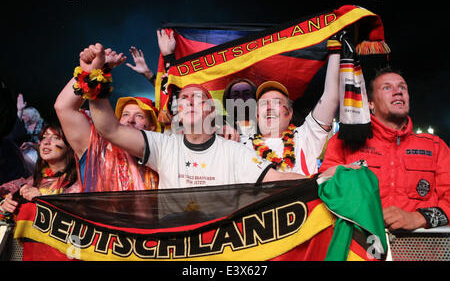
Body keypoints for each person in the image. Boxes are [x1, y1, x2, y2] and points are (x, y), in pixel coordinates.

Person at [84, 43, 348, 189]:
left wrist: (322, 179)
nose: (188, 100)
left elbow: (276, 179)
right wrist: (93, 75)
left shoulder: (237, 151)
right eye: (183, 98)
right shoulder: (163, 146)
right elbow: (108, 128)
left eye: (198, 97)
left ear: (212, 111)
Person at [320, 67, 450, 230]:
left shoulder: (435, 146)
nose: (398, 92)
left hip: (420, 251)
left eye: (402, 87)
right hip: (360, 251)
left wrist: (419, 217)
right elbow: (324, 192)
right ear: (370, 103)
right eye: (387, 87)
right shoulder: (345, 142)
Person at [54, 47, 160, 192]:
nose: (130, 120)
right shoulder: (96, 147)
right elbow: (64, 107)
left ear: (151, 127)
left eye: (139, 116)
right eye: (125, 115)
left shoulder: (161, 157)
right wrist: (92, 70)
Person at [239, 49, 341, 176]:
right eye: (264, 104)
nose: (269, 107)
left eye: (277, 102)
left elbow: (330, 98)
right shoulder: (241, 145)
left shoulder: (305, 136)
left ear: (290, 113)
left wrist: (335, 53)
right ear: (256, 115)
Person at [0, 121, 80, 214]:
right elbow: (4, 191)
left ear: (70, 146)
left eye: (56, 138)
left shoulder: (79, 183)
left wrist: (42, 198)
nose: (46, 142)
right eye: (44, 137)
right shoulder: (31, 181)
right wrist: (4, 206)